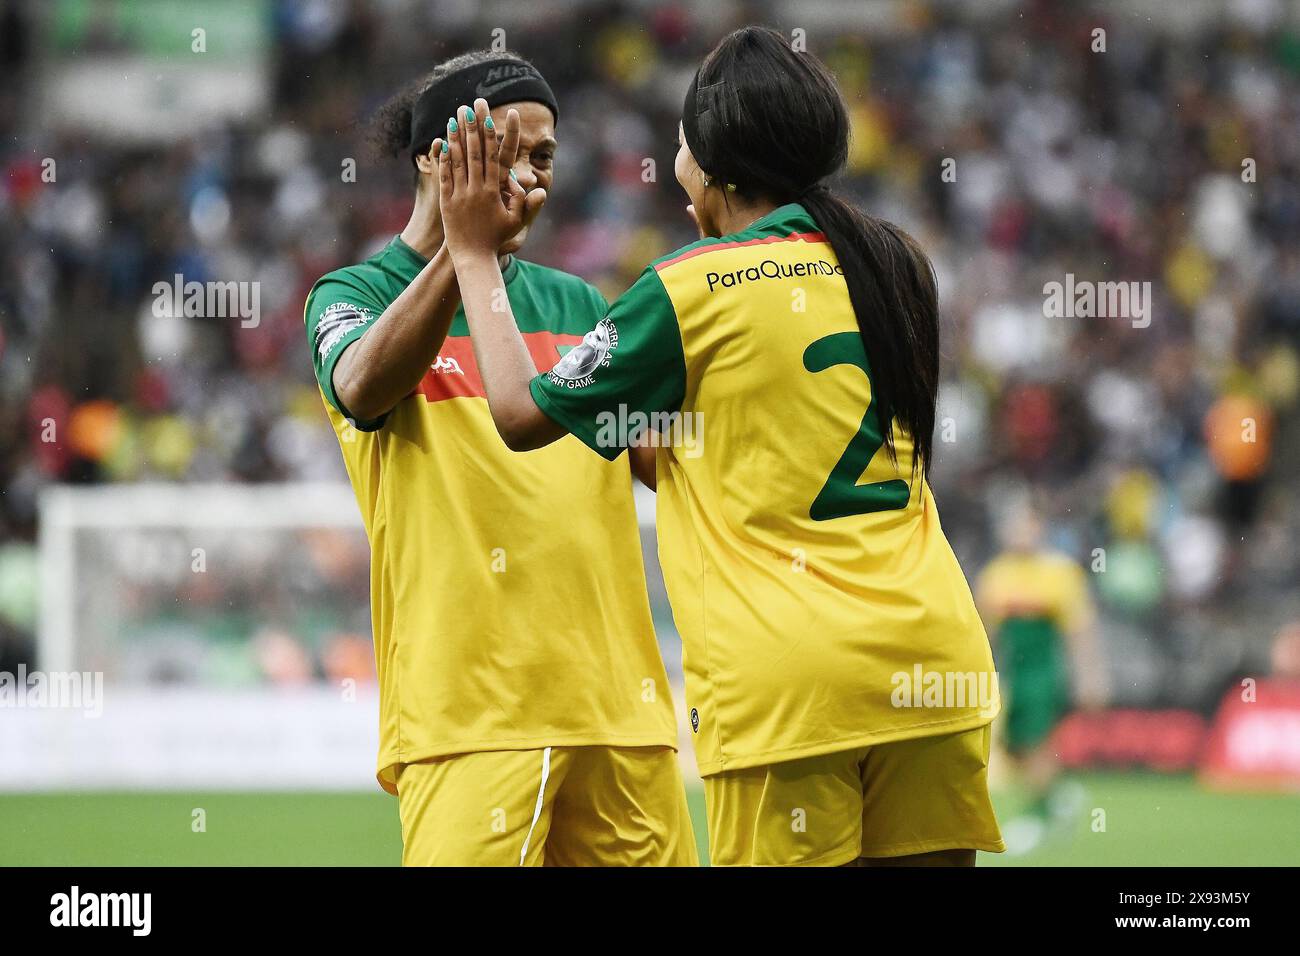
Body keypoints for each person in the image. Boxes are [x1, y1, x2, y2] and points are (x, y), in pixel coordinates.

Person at [435, 27, 1004, 866]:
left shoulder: (692, 285)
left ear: (709, 160)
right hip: (934, 662)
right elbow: (776, 437)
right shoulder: (896, 266)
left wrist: (473, 251)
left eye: (679, 144)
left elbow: (520, 415)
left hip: (791, 688)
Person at [303, 51, 696, 866]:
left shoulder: (581, 304)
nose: (526, 174)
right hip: (473, 719)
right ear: (433, 157)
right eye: (501, 148)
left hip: (621, 713)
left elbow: (667, 461)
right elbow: (363, 387)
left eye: (542, 157)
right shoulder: (352, 296)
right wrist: (464, 252)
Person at [977, 503, 1107, 854]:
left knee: (1037, 742)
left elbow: (1081, 631)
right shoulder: (996, 574)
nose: (1020, 534)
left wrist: (1090, 676)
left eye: (1027, 526)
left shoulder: (1059, 573)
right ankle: (1061, 797)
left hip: (1044, 671)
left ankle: (1037, 817)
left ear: (1040, 529)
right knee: (1016, 746)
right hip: (1013, 673)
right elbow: (982, 631)